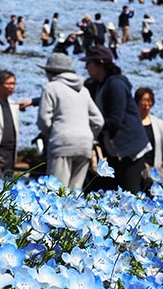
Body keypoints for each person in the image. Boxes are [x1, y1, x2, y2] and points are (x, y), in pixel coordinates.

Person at [83, 46, 150, 194]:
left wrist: (89, 124)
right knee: (113, 193)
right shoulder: (100, 84)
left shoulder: (115, 85)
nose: (85, 67)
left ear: (100, 63)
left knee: (128, 194)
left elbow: (115, 121)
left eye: (88, 63)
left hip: (129, 150)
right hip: (117, 151)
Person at [37, 53, 104, 189]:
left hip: (62, 143)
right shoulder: (83, 90)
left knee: (56, 191)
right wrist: (89, 135)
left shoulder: (50, 88)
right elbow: (98, 120)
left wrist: (52, 133)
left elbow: (44, 119)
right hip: (84, 144)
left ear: (50, 72)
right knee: (74, 192)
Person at [134, 87, 163, 185]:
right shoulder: (132, 123)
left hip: (155, 171)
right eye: (144, 100)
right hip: (135, 173)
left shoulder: (158, 123)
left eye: (149, 101)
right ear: (137, 102)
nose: (147, 104)